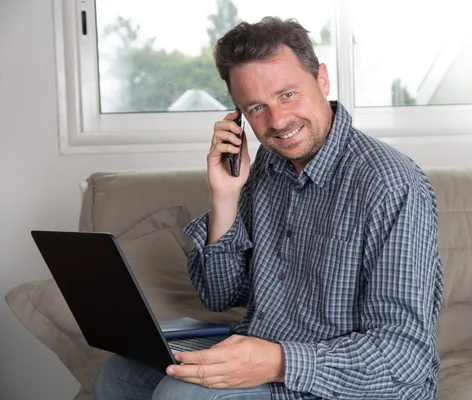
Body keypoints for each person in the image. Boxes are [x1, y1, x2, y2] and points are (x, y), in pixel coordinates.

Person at [92, 16, 443, 400]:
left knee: (184, 395)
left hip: (341, 381)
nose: (277, 121)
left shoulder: (391, 183)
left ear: (322, 80)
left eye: (288, 94)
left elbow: (405, 357)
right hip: (262, 350)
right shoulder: (269, 166)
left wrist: (276, 362)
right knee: (118, 374)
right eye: (257, 107)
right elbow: (219, 295)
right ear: (239, 116)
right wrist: (224, 196)